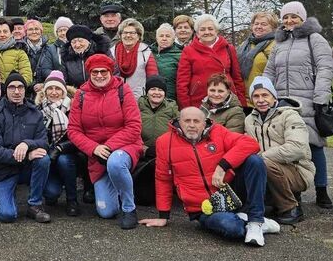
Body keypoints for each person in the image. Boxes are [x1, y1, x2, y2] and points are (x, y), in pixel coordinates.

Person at [142, 107, 279, 247]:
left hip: (230, 193)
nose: (191, 125)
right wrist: (163, 216)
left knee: (254, 161)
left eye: (196, 121)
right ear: (179, 122)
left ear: (204, 123)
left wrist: (223, 166)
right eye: (187, 121)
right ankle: (247, 220)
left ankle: (256, 221)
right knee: (232, 229)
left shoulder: (218, 131)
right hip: (203, 207)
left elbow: (250, 144)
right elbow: (163, 179)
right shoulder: (164, 142)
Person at [263, 1, 333, 209]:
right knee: (288, 147)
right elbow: (270, 72)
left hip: (307, 100)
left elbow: (324, 68)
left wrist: (320, 97)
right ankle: (294, 189)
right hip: (282, 102)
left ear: (302, 18)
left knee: (313, 145)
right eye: (285, 17)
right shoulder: (279, 44)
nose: (289, 21)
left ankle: (322, 189)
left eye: (293, 16)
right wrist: (266, 93)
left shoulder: (315, 39)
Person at [67, 53, 143, 228]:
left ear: (110, 72)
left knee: (115, 162)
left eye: (103, 72)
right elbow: (73, 130)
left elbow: (134, 126)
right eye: (95, 72)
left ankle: (129, 208)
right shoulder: (81, 94)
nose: (99, 75)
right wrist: (93, 148)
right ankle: (119, 184)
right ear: (89, 73)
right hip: (97, 155)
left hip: (125, 147)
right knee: (106, 212)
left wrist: (108, 146)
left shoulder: (123, 90)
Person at [244, 77, 315, 224]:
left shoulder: (289, 115)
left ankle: (291, 207)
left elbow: (298, 148)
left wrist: (262, 157)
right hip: (269, 169)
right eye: (256, 96)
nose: (261, 100)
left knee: (262, 163)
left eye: (265, 95)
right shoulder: (249, 120)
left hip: (297, 170)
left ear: (274, 96)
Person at [0, 73, 53, 223]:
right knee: (7, 215)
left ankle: (34, 205)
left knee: (43, 158)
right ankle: (7, 193)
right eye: (12, 87)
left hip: (27, 169)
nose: (17, 91)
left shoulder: (34, 113)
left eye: (20, 87)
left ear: (25, 90)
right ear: (6, 90)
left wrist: (27, 144)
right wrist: (25, 155)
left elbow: (44, 142)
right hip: (4, 171)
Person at [176, 14, 246, 109]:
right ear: (197, 33)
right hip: (199, 101)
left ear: (216, 31)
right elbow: (182, 83)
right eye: (202, 29)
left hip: (227, 99)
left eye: (210, 29)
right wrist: (186, 107)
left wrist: (242, 105)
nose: (207, 32)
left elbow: (237, 79)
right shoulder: (189, 51)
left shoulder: (229, 48)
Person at [37, 70, 80, 215]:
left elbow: (79, 136)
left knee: (64, 160)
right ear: (45, 91)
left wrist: (61, 147)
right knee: (51, 194)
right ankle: (51, 192)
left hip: (69, 154)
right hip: (47, 155)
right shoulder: (39, 109)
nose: (54, 92)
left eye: (57, 89)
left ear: (63, 91)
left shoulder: (73, 108)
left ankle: (72, 200)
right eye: (50, 88)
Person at [134, 74, 178, 207]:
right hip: (141, 154)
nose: (157, 93)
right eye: (153, 89)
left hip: (163, 154)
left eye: (160, 90)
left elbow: (178, 130)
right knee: (144, 200)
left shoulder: (172, 108)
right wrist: (144, 149)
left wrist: (164, 148)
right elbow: (130, 129)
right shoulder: (137, 106)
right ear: (147, 92)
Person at [238, 11, 278, 104]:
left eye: (263, 24)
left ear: (273, 27)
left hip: (263, 101)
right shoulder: (244, 45)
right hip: (243, 100)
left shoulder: (276, 45)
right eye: (256, 24)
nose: (259, 27)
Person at [114, 18, 159, 99]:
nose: (128, 35)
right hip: (115, 98)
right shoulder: (112, 52)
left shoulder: (146, 52)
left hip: (139, 99)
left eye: (132, 33)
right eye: (125, 32)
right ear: (120, 35)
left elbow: (153, 78)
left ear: (138, 36)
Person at [60, 24, 111, 89]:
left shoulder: (102, 51)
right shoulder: (66, 56)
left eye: (80, 41)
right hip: (77, 93)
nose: (77, 45)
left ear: (88, 41)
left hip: (102, 91)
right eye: (73, 42)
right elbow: (64, 79)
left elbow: (114, 73)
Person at [0, 17, 33, 90]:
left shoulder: (19, 52)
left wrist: (14, 87)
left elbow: (27, 75)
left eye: (5, 31)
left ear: (11, 33)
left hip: (15, 92)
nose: (2, 35)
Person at [23, 18, 60, 93]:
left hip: (46, 90)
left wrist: (44, 84)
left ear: (41, 31)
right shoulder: (21, 49)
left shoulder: (51, 49)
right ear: (26, 32)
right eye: (30, 29)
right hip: (24, 90)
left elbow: (55, 71)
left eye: (37, 29)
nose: (34, 32)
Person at [150, 23, 182, 101]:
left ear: (174, 38)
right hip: (150, 98)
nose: (164, 39)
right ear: (156, 38)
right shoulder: (148, 52)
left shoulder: (180, 55)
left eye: (168, 36)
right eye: (161, 36)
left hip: (170, 99)